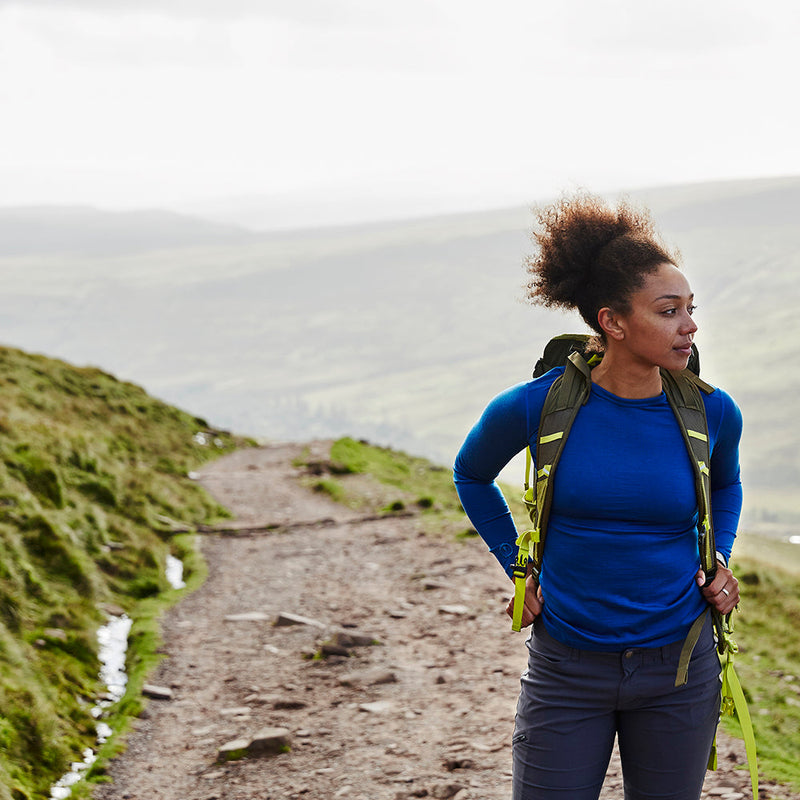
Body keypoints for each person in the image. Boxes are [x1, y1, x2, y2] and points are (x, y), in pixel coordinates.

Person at [453, 193, 743, 800]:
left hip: (680, 667)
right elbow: (471, 474)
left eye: (691, 309)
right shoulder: (536, 404)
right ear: (612, 321)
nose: (689, 326)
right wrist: (518, 566)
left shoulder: (711, 410)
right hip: (567, 667)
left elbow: (724, 482)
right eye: (668, 311)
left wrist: (720, 558)